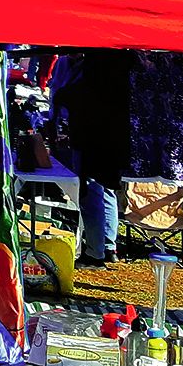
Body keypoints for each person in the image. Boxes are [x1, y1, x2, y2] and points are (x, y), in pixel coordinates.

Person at [63, 49, 135, 266]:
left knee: (91, 193)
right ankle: (108, 246)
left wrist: (64, 95)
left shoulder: (96, 70)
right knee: (106, 191)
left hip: (90, 139)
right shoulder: (124, 69)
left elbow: (76, 96)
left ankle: (95, 252)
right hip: (113, 138)